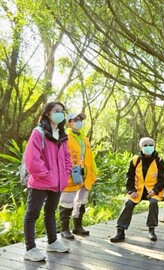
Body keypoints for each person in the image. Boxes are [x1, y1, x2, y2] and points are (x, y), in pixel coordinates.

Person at [23, 102, 72, 261]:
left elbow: (67, 157)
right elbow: (32, 159)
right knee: (32, 214)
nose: (60, 113)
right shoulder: (38, 133)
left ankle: (52, 242)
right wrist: (46, 175)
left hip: (57, 182)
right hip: (40, 181)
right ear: (47, 114)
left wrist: (66, 173)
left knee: (50, 212)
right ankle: (30, 249)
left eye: (62, 111)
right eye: (56, 111)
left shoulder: (63, 135)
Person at [110, 137, 164, 242]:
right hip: (138, 191)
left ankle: (151, 229)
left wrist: (155, 190)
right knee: (128, 203)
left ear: (154, 146)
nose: (148, 147)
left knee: (153, 203)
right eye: (145, 145)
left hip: (153, 191)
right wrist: (131, 191)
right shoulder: (136, 160)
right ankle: (120, 231)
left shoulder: (159, 160)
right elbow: (129, 177)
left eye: (151, 145)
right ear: (141, 147)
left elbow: (163, 179)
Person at [59, 112, 98, 240]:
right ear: (69, 123)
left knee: (81, 201)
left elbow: (90, 157)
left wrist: (93, 172)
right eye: (75, 120)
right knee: (67, 201)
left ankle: (77, 226)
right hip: (71, 174)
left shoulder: (84, 138)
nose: (79, 121)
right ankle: (64, 229)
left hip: (84, 174)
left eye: (80, 119)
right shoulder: (65, 137)